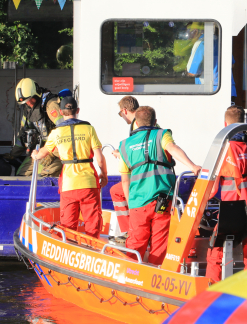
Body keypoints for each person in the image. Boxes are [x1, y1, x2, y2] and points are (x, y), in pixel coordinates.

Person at [118, 106, 201, 265]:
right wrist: (192, 166)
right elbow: (172, 148)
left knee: (135, 243)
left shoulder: (124, 145)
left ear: (136, 122)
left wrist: (130, 203)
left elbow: (125, 179)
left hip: (138, 202)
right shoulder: (162, 134)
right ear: (155, 122)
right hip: (162, 200)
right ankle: (155, 274)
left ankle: (131, 277)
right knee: (160, 242)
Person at [206, 105, 247, 283]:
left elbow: (211, 191)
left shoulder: (223, 148)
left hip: (232, 208)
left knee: (216, 249)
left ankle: (212, 287)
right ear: (245, 122)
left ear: (225, 123)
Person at [31, 97, 107, 238]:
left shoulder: (56, 132)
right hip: (89, 184)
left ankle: (69, 254)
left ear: (61, 112)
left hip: (68, 185)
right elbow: (100, 158)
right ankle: (92, 253)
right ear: (77, 111)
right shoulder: (89, 129)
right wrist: (104, 174)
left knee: (68, 227)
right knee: (92, 225)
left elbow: (42, 154)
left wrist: (35, 154)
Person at [3, 78, 64, 177]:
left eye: (30, 99)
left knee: (43, 177)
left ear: (37, 94)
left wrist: (52, 153)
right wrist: (13, 154)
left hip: (58, 153)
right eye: (26, 102)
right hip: (40, 151)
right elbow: (23, 135)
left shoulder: (51, 106)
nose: (28, 103)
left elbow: (66, 133)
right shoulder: (28, 111)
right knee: (21, 176)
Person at [109, 95, 140, 240]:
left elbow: (138, 152)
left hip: (140, 177)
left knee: (116, 191)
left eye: (120, 113)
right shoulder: (145, 122)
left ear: (125, 110)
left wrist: (121, 155)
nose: (122, 116)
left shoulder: (136, 125)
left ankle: (129, 230)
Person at [186, 22, 219, 88]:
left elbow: (193, 72)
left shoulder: (201, 43)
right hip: (228, 88)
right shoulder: (219, 40)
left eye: (189, 33)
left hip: (210, 89)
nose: (189, 38)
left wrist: (185, 73)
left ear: (195, 31)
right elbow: (232, 64)